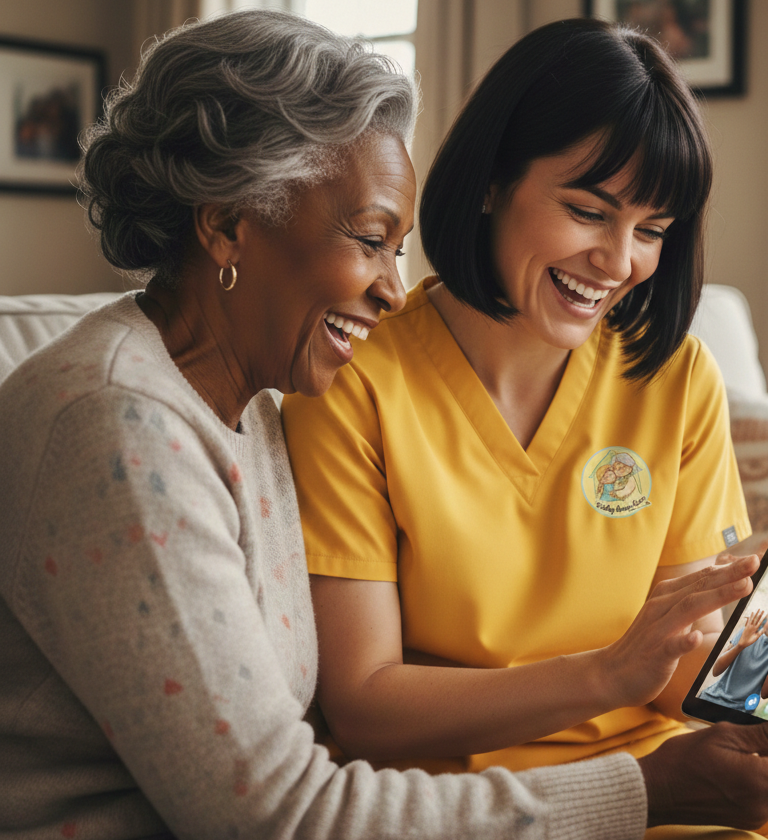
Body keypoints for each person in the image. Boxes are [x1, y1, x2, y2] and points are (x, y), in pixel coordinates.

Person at [0, 11, 767, 840]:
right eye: (370, 240)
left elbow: (688, 659)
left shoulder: (251, 397)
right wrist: (640, 776)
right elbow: (282, 807)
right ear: (224, 225)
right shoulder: (122, 426)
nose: (396, 292)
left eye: (396, 249)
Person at [281, 17, 765, 837]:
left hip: (672, 787)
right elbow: (364, 705)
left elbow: (690, 671)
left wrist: (748, 680)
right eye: (588, 211)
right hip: (463, 804)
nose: (620, 261)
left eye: (651, 230)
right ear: (491, 181)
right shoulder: (352, 379)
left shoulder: (675, 376)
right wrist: (607, 674)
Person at [701, 610, 768, 712]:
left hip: (740, 712)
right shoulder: (747, 632)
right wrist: (740, 646)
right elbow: (716, 671)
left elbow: (764, 694)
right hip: (710, 698)